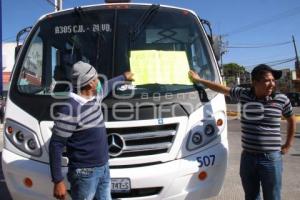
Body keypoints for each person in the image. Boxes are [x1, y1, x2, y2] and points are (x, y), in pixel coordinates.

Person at [189, 64, 296, 200]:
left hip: (271, 159)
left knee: (273, 196)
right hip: (248, 159)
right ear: (255, 82)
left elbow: (291, 119)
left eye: (273, 80)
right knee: (251, 196)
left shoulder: (281, 99)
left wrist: (288, 144)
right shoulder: (244, 94)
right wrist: (200, 80)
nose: (272, 84)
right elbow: (222, 89)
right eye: (267, 80)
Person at [49, 61, 134, 200]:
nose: (99, 81)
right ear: (89, 84)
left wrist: (123, 77)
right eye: (96, 79)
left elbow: (107, 86)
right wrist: (58, 181)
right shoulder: (70, 110)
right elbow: (55, 145)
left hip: (103, 167)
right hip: (85, 174)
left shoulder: (95, 98)